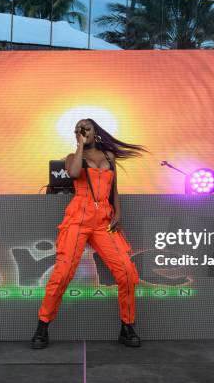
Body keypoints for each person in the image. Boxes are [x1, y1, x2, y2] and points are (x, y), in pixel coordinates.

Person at [31, 119, 146, 349]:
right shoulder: (73, 157)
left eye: (86, 128)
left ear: (96, 131)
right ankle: (42, 326)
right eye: (78, 129)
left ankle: (127, 326)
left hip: (103, 219)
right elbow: (74, 174)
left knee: (127, 273)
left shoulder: (109, 157)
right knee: (62, 274)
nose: (82, 131)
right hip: (78, 219)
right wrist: (80, 145)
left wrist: (118, 213)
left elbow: (114, 189)